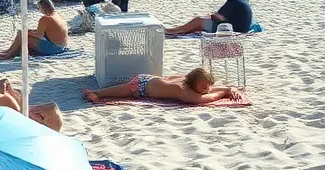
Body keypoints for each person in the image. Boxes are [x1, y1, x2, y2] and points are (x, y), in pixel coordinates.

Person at [85, 66, 243, 105]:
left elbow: (205, 89)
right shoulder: (182, 90)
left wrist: (229, 88)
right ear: (194, 83)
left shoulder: (187, 80)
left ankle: (98, 92)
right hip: (142, 87)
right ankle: (98, 93)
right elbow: (200, 99)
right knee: (121, 91)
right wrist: (222, 94)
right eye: (204, 86)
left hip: (149, 79)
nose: (207, 89)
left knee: (122, 88)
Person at [164, 0, 253, 35]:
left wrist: (211, 14)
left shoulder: (234, 2)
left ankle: (171, 31)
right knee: (202, 20)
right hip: (241, 27)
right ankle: (180, 30)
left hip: (233, 29)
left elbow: (218, 17)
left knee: (198, 20)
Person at [0, 0, 69, 59]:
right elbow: (46, 32)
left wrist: (27, 32)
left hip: (54, 48)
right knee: (24, 33)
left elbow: (39, 35)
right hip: (62, 47)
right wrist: (29, 32)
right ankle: (8, 51)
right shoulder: (57, 15)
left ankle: (7, 55)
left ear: (43, 7)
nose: (39, 10)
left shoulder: (46, 18)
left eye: (39, 8)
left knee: (22, 34)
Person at [0, 80, 64, 131]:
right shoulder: (17, 101)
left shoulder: (17, 108)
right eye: (41, 118)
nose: (38, 124)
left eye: (43, 127)